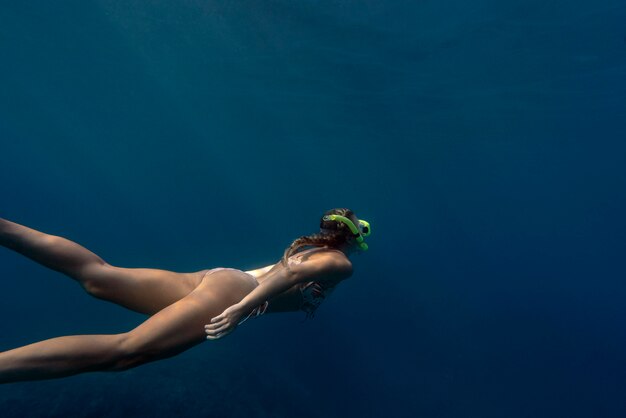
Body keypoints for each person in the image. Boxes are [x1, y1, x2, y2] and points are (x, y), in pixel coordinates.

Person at [0, 208, 371, 383]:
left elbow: (289, 269)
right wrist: (242, 308)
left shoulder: (312, 249)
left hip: (220, 277)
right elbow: (291, 274)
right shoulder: (340, 264)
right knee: (125, 353)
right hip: (235, 292)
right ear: (355, 242)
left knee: (99, 276)